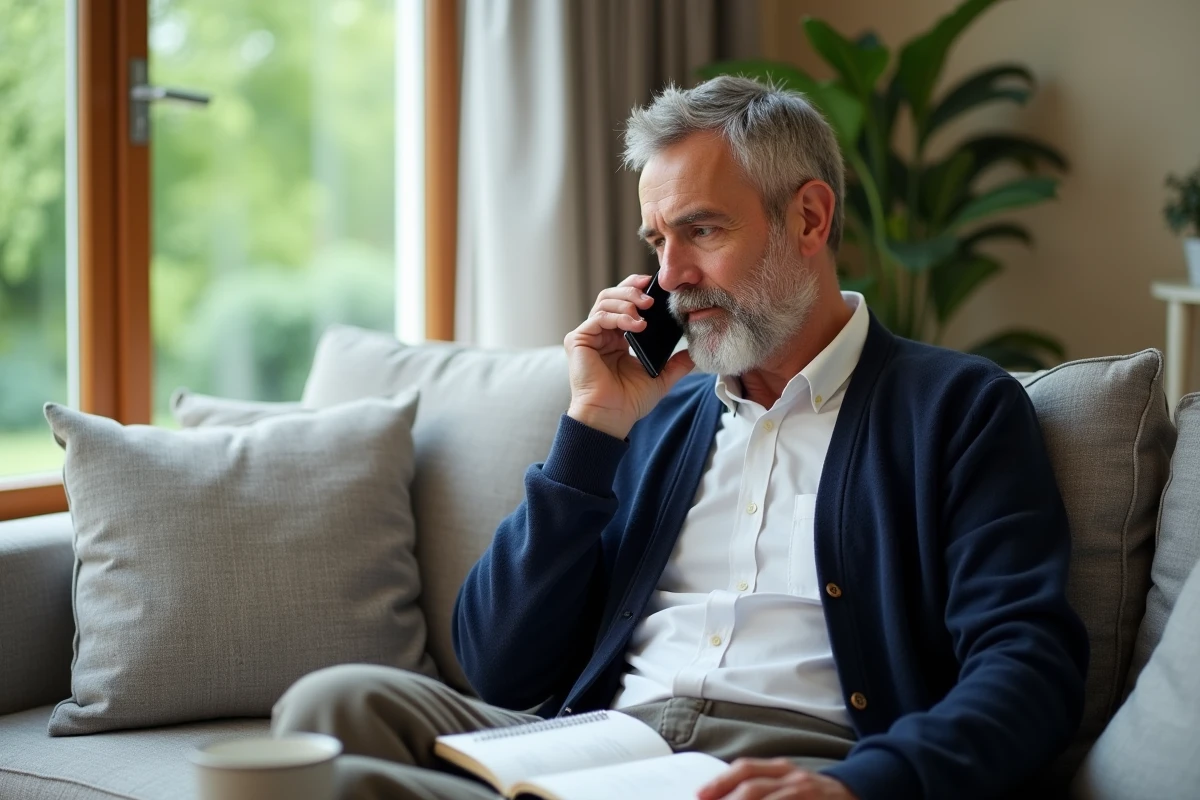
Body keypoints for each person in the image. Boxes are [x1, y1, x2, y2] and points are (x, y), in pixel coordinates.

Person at [273, 75, 1088, 800]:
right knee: (331, 704)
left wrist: (859, 784)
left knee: (317, 783)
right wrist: (591, 430)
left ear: (808, 218)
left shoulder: (956, 408)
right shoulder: (659, 422)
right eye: (658, 241)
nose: (668, 278)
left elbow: (1029, 666)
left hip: (779, 763)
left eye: (702, 232)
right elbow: (500, 666)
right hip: (601, 745)